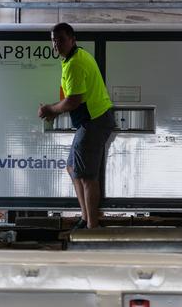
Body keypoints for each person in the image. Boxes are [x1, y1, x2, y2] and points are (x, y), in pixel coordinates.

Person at [38, 22, 114, 229]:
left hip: (94, 121)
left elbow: (73, 101)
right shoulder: (75, 56)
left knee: (88, 177)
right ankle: (86, 218)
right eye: (53, 40)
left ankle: (91, 227)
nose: (56, 44)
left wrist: (50, 110)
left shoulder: (75, 64)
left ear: (72, 39)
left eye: (61, 39)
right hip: (91, 121)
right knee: (73, 168)